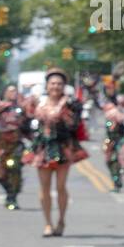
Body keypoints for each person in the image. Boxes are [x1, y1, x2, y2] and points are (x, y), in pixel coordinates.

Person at [24, 69, 89, 236]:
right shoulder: (38, 102)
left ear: (64, 86)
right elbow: (25, 118)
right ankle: (47, 223)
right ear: (47, 85)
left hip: (62, 147)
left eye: (59, 83)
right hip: (43, 148)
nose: (56, 86)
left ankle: (61, 220)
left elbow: (74, 125)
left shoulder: (70, 104)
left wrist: (74, 110)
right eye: (53, 83)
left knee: (60, 186)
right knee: (44, 187)